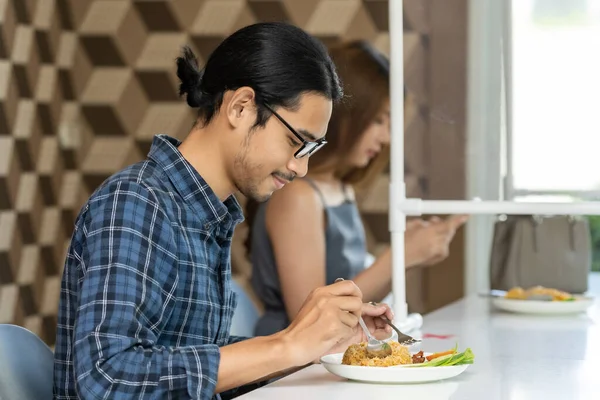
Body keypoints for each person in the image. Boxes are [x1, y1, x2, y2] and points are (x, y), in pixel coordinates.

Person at [53, 23, 394, 400]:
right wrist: (286, 346)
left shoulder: (207, 213)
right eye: (297, 142)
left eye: (310, 151)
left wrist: (318, 344)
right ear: (240, 107)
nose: (301, 169)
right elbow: (107, 378)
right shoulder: (136, 203)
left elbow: (191, 352)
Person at [247, 40, 468, 337]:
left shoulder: (340, 189)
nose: (387, 138)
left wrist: (409, 256)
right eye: (378, 120)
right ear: (343, 115)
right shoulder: (297, 196)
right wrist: (399, 257)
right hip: (291, 370)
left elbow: (356, 302)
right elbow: (309, 321)